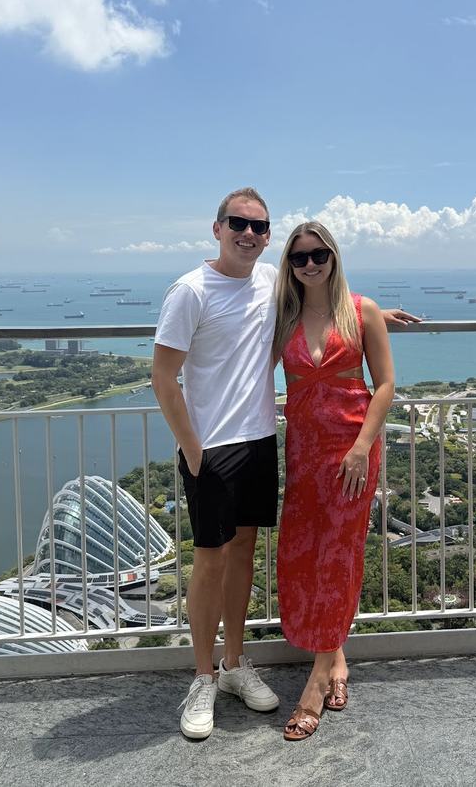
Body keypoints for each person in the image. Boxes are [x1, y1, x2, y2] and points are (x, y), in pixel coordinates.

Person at [152, 189, 413, 740]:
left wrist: (372, 319)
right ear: (218, 227)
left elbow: (346, 328)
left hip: (285, 445)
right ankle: (208, 675)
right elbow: (163, 376)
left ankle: (269, 668)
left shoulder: (280, 287)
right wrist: (192, 449)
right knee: (232, 558)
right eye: (238, 224)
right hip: (234, 449)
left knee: (304, 551)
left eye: (259, 226)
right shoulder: (199, 292)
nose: (309, 263)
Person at [272, 221, 395, 741]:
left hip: (352, 453)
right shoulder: (284, 315)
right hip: (304, 455)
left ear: (333, 257)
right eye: (299, 258)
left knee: (339, 557)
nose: (310, 265)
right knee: (304, 555)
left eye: (318, 255)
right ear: (290, 266)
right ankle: (337, 659)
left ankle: (316, 683)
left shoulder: (361, 310)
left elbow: (385, 383)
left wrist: (362, 448)